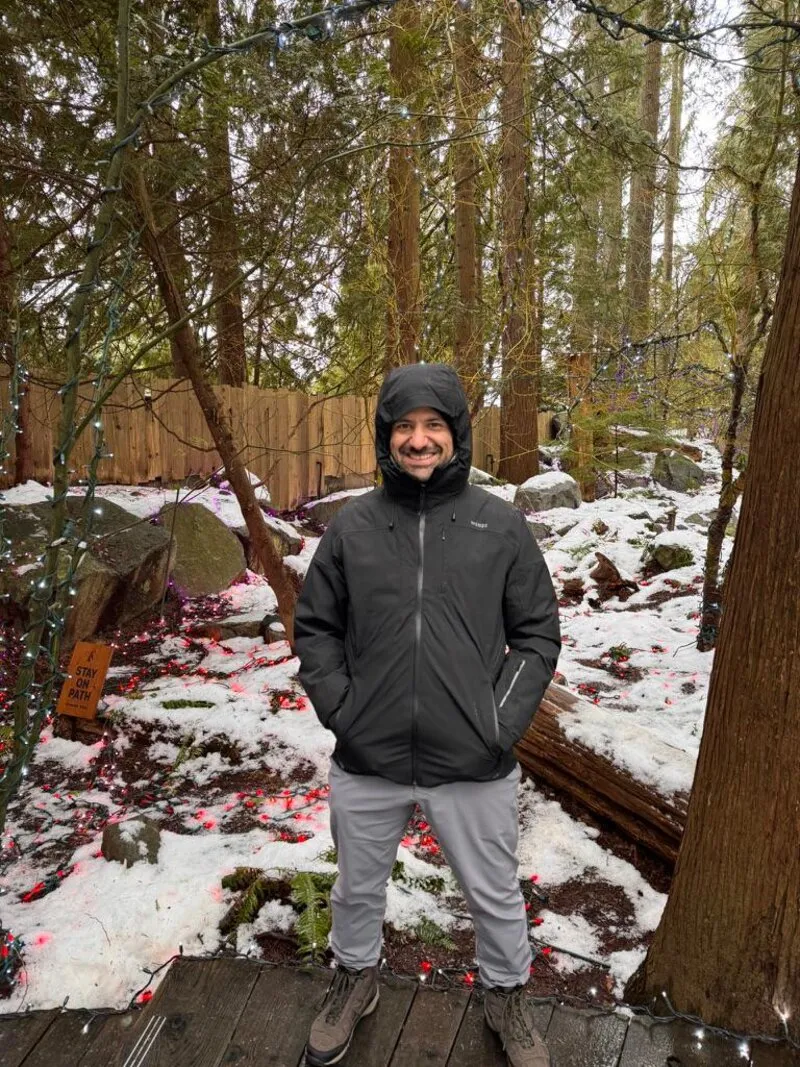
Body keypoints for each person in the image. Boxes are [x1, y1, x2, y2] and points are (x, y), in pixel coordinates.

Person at [295, 362, 561, 1067]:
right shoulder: (352, 527)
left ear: (455, 435)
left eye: (433, 426)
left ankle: (505, 995)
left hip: (471, 761)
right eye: (405, 426)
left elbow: (537, 632)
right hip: (368, 756)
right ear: (386, 436)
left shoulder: (497, 525)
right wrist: (344, 711)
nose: (418, 440)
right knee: (355, 887)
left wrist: (496, 725)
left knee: (496, 895)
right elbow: (316, 626)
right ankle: (355, 981)